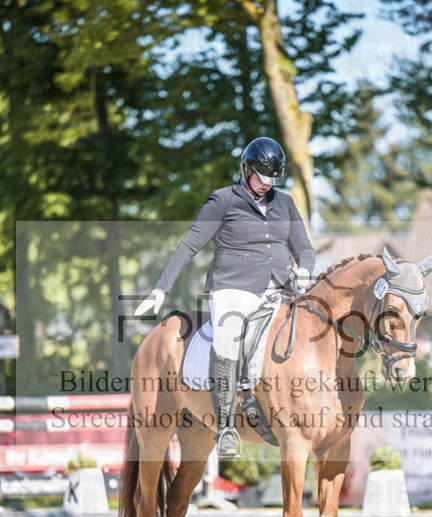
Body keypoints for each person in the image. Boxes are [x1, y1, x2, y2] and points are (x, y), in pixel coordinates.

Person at [134, 137, 315, 458]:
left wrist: (305, 270)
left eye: (272, 181)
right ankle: (228, 427)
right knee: (228, 338)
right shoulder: (222, 201)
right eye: (260, 178)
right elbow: (189, 245)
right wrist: (160, 288)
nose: (265, 186)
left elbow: (303, 248)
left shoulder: (285, 203)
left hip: (281, 289)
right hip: (233, 288)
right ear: (245, 170)